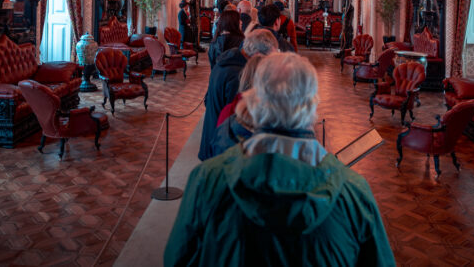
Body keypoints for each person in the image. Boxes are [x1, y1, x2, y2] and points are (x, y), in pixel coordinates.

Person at [166, 52, 395, 267]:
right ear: (312, 105)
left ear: (253, 101)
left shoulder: (207, 179)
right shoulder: (353, 192)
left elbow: (178, 259)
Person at [199, 29, 279, 161]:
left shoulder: (227, 60)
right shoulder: (238, 75)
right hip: (221, 146)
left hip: (213, 137)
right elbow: (235, 119)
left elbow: (208, 100)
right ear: (257, 55)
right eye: (269, 58)